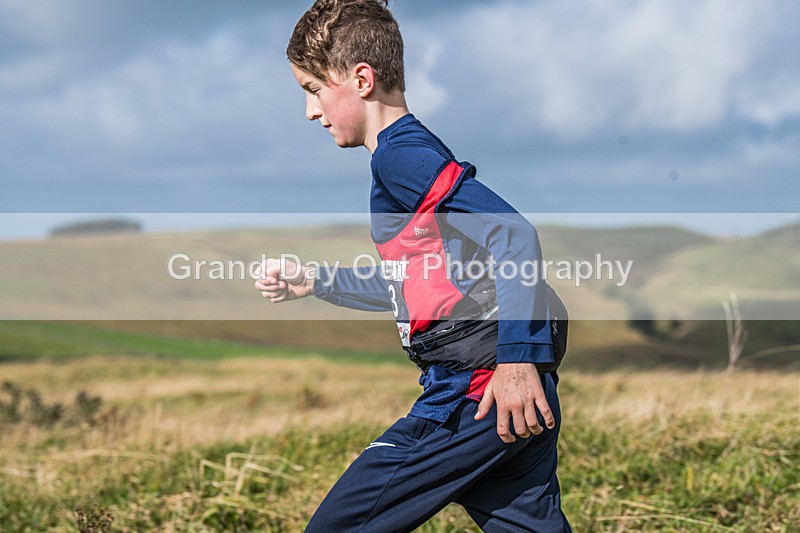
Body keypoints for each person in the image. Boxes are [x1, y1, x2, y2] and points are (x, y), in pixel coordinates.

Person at [255, 1, 572, 531]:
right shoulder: (409, 153)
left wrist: (517, 362)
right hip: (502, 386)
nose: (310, 111)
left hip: (481, 387)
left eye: (313, 89)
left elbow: (513, 233)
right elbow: (429, 285)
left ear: (361, 80)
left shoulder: (398, 157)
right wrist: (317, 281)